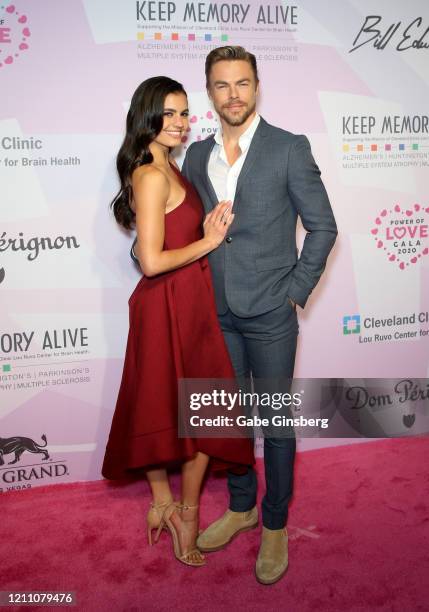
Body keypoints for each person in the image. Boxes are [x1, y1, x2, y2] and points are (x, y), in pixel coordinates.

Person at [181, 46, 338, 584]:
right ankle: (242, 507)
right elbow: (191, 229)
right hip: (215, 310)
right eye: (222, 85)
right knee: (229, 420)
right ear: (210, 91)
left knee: (273, 423)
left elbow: (323, 227)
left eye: (243, 83)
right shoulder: (196, 154)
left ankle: (274, 524)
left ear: (257, 86)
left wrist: (294, 290)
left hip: (271, 311)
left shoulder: (288, 148)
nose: (234, 94)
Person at [101, 76, 254, 568]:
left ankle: (174, 508)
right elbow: (150, 260)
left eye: (185, 113)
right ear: (146, 114)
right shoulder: (150, 174)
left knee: (197, 408)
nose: (180, 123)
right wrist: (208, 244)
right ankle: (172, 509)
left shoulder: (172, 165)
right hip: (166, 301)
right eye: (168, 113)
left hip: (189, 303)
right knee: (170, 407)